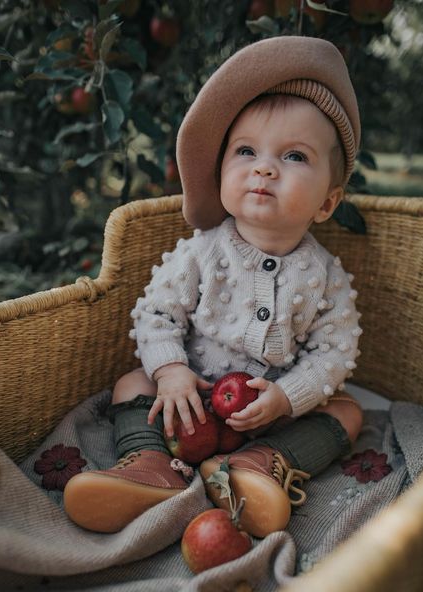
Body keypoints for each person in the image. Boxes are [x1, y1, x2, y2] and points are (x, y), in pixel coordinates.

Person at [63, 36, 364, 537]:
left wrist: (288, 397)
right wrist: (172, 372)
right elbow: (155, 315)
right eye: (246, 151)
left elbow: (336, 350)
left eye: (294, 157)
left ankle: (264, 465)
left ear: (327, 203)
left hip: (271, 414)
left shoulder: (324, 274)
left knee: (347, 410)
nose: (265, 168)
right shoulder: (201, 253)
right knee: (132, 384)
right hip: (188, 406)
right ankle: (149, 464)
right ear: (221, 171)